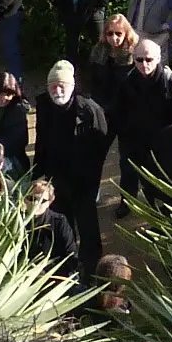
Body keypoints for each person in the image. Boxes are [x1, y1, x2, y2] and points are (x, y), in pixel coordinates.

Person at [32, 61, 110, 273]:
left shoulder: (90, 110)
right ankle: (65, 269)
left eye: (62, 85)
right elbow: (40, 142)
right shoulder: (44, 106)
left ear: (72, 85)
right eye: (53, 86)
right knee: (60, 225)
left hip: (83, 180)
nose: (57, 90)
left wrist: (91, 179)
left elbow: (100, 147)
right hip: (55, 178)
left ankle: (93, 271)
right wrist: (38, 174)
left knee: (87, 227)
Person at [116, 38, 172, 212]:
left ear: (158, 59)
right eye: (139, 60)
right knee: (128, 172)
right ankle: (127, 202)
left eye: (148, 59)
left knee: (159, 179)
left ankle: (160, 210)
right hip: (134, 139)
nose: (144, 64)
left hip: (163, 141)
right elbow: (118, 110)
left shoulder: (171, 82)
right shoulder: (127, 80)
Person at [86, 14, 139, 137]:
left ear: (126, 33)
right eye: (110, 33)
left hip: (125, 108)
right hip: (102, 105)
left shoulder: (134, 53)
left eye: (118, 33)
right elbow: (91, 78)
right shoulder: (98, 50)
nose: (114, 37)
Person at [25, 176, 78, 277]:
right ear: (24, 199)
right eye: (30, 198)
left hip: (54, 278)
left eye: (41, 200)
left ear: (50, 201)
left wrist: (46, 273)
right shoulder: (17, 224)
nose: (35, 203)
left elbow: (71, 257)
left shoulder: (59, 222)